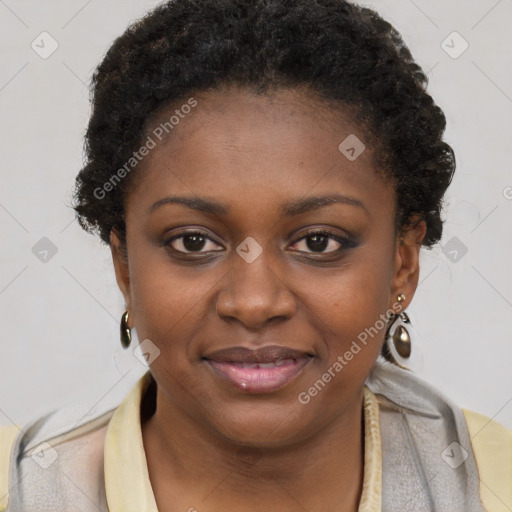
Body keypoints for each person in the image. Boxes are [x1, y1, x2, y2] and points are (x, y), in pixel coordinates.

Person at [1, 0, 510, 511]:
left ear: (403, 263)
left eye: (318, 242)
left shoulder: (496, 480)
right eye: (193, 241)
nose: (253, 302)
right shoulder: (22, 487)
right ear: (125, 267)